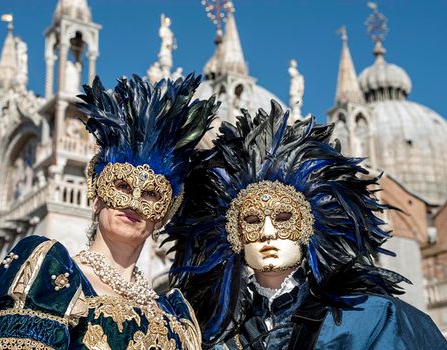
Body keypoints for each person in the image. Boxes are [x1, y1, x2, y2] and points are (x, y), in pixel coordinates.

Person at [165, 100, 447, 349]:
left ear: (310, 227)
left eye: (283, 218)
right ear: (232, 234)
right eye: (251, 220)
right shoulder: (215, 332)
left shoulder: (368, 318)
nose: (267, 232)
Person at [0, 73, 217, 349]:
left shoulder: (174, 316)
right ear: (97, 197)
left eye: (151, 195)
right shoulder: (52, 279)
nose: (133, 203)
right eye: (122, 186)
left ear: (163, 215)